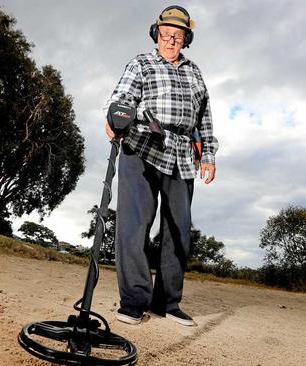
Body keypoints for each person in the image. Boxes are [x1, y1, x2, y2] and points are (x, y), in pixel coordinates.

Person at [104, 5, 218, 327]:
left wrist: (207, 155)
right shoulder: (141, 63)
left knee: (179, 231)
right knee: (135, 225)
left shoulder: (194, 72)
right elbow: (123, 97)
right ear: (157, 35)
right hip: (142, 146)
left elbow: (204, 117)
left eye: (178, 36)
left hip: (182, 155)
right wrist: (115, 118)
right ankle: (133, 301)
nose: (171, 41)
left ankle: (167, 302)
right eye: (166, 35)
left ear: (186, 40)